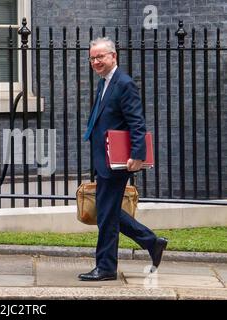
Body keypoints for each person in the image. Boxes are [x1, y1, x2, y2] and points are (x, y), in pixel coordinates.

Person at [79, 37, 168, 281]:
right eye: (92, 58)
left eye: (100, 57)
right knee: (108, 211)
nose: (96, 61)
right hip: (104, 158)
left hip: (117, 162)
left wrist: (137, 156)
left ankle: (106, 267)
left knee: (106, 214)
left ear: (113, 57)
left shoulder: (124, 83)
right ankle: (152, 241)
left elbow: (136, 122)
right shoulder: (105, 82)